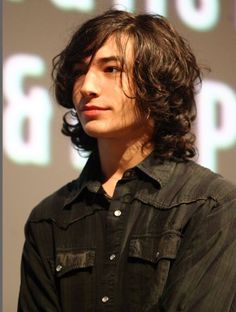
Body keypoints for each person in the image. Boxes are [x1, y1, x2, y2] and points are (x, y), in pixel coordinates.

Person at [18, 9, 236, 312]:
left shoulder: (211, 204)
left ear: (156, 84)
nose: (86, 87)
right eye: (80, 71)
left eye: (110, 69)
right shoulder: (49, 218)